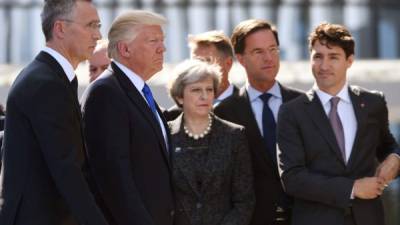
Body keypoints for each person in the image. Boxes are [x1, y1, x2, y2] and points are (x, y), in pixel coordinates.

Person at [277, 23, 400, 225]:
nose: (324, 65)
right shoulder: (292, 112)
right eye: (318, 56)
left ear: (349, 61)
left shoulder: (372, 103)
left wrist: (395, 158)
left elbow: (388, 146)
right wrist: (352, 188)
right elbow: (293, 178)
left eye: (333, 57)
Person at [0, 1, 109, 225]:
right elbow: (67, 170)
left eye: (98, 25)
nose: (98, 35)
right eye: (91, 25)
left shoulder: (52, 76)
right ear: (60, 29)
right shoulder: (46, 83)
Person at [81, 10, 175, 225]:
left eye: (162, 40)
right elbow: (115, 181)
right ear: (125, 49)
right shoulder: (105, 92)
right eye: (153, 41)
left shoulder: (138, 91)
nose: (163, 48)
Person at [214, 19, 302, 225]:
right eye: (258, 52)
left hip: (303, 216)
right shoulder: (223, 113)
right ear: (241, 58)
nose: (268, 58)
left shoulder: (305, 104)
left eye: (273, 49)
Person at [168, 59, 255, 225]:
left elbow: (244, 200)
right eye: (196, 90)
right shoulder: (165, 135)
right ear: (180, 97)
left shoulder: (234, 135)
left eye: (209, 89)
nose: (204, 96)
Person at [164, 30, 238, 121]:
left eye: (207, 61)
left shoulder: (249, 107)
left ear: (228, 63)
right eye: (196, 62)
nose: (200, 68)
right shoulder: (174, 116)